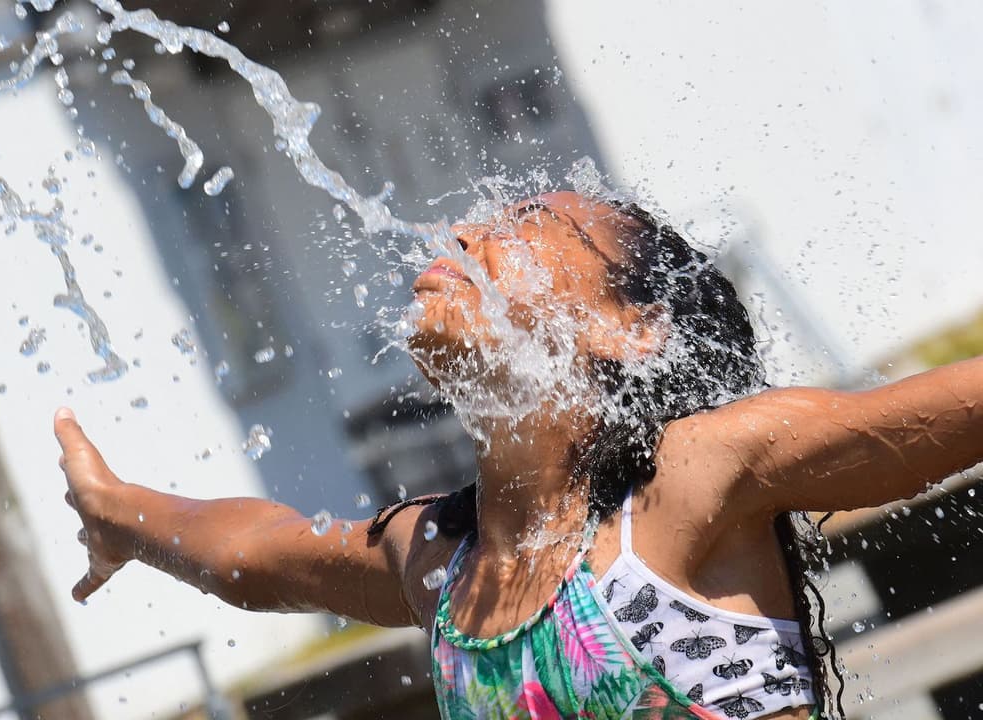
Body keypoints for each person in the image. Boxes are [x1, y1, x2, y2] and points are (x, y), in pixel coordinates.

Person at [55, 191, 983, 719]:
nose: (459, 233)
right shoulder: (441, 564)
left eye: (526, 218)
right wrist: (123, 514)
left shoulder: (689, 484)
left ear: (633, 330)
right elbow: (253, 554)